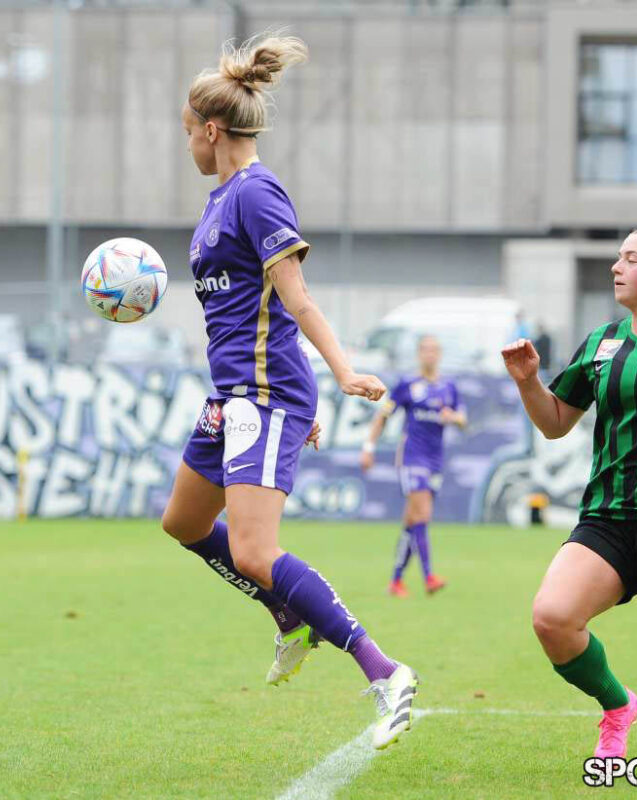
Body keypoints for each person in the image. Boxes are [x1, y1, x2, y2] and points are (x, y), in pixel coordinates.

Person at [162, 33, 418, 750]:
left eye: (188, 131)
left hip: (264, 392)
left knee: (253, 552)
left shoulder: (255, 192)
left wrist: (340, 373)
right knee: (183, 523)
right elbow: (255, 312)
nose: (188, 144)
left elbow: (297, 298)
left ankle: (386, 671)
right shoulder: (219, 202)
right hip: (235, 395)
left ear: (212, 130)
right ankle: (288, 615)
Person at [502, 226, 637, 789]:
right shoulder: (601, 342)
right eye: (617, 257)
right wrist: (528, 383)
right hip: (608, 515)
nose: (616, 267)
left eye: (630, 258)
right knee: (552, 619)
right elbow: (555, 424)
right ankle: (619, 706)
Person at [360, 335, 467, 597]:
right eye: (425, 350)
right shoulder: (408, 384)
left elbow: (463, 420)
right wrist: (369, 448)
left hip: (435, 461)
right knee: (423, 514)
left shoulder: (448, 387)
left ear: (439, 354)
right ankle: (429, 576)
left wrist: (452, 417)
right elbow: (383, 415)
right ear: (419, 354)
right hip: (412, 458)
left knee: (412, 521)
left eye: (434, 350)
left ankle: (395, 581)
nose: (429, 354)